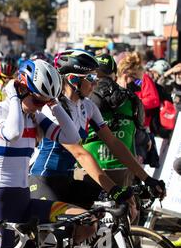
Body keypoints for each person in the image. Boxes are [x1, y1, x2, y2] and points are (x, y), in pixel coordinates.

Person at [0, 59, 98, 248]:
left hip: (24, 201)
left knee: (87, 222)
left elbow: (72, 137)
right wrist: (14, 97)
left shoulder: (34, 117)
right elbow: (13, 133)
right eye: (37, 100)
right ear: (22, 88)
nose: (39, 106)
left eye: (44, 102)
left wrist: (54, 103)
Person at [29, 49, 166, 209]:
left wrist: (146, 178)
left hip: (69, 178)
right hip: (45, 179)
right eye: (92, 78)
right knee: (74, 224)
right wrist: (113, 189)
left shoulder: (88, 106)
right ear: (73, 80)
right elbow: (79, 153)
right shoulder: (54, 108)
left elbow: (113, 143)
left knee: (94, 224)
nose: (96, 83)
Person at [83, 54, 147, 192]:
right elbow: (139, 134)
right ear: (116, 75)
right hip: (123, 169)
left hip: (88, 168)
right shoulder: (132, 100)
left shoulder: (83, 99)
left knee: (87, 211)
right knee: (128, 207)